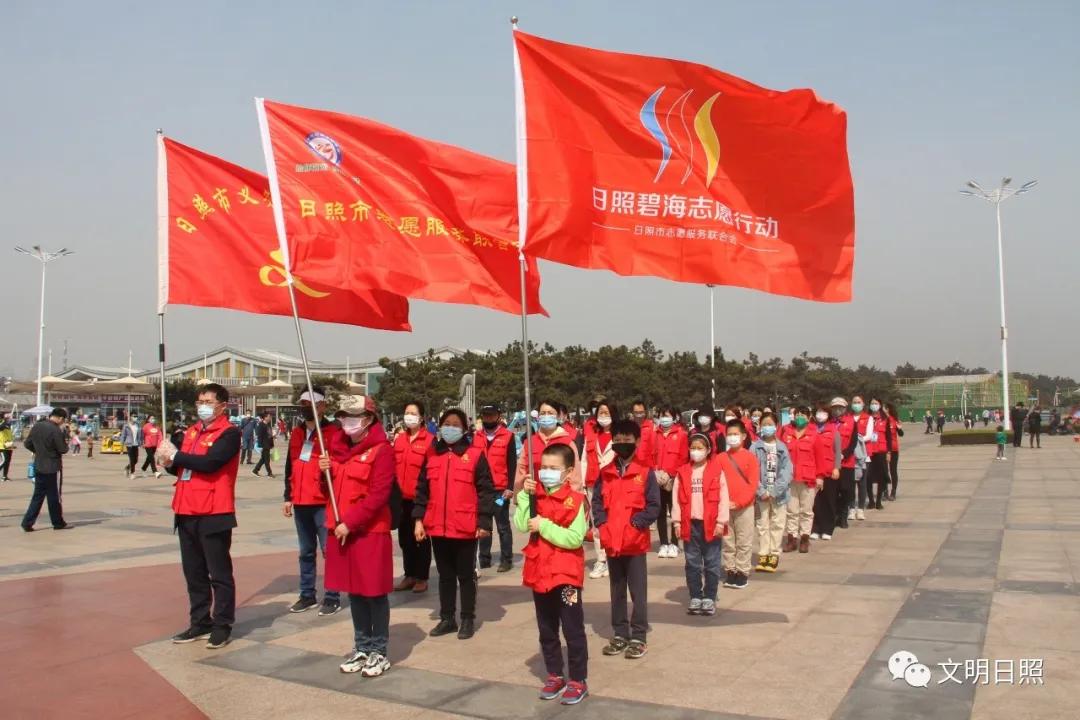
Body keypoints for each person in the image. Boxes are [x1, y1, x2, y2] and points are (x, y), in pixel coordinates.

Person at [159, 384, 241, 649]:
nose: (202, 405)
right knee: (193, 573)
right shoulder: (192, 432)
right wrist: (169, 461)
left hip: (214, 511)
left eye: (208, 401)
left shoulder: (229, 434)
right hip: (185, 509)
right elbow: (184, 469)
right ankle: (200, 621)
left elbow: (210, 463)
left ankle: (222, 624)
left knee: (219, 573)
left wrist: (178, 455)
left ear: (222, 406)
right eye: (199, 401)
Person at [320, 394, 395, 677]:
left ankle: (379, 650)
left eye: (353, 416)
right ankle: (362, 647)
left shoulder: (381, 450)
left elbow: (378, 496)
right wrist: (322, 473)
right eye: (343, 416)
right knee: (355, 592)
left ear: (368, 419)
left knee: (373, 593)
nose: (347, 422)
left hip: (368, 532)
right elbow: (329, 490)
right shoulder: (335, 449)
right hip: (340, 531)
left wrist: (350, 523)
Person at [516, 443, 589, 705]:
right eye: (543, 467)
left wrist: (544, 525)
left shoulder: (577, 500)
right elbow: (522, 524)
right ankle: (555, 674)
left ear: (568, 472)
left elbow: (574, 538)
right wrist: (524, 498)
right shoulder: (535, 496)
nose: (546, 472)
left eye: (553, 468)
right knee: (546, 628)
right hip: (540, 574)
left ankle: (578, 679)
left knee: (572, 628)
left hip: (566, 575)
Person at [413, 409, 495, 640]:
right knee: (445, 575)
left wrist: (484, 522)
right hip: (437, 527)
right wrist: (419, 519)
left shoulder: (475, 455)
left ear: (464, 429)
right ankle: (447, 617)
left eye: (455, 424)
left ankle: (467, 617)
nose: (450, 427)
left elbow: (486, 491)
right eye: (446, 423)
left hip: (465, 526)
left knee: (466, 575)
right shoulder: (431, 455)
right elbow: (422, 490)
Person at [593, 420, 660, 660]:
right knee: (616, 590)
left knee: (638, 592)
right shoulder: (606, 473)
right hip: (613, 542)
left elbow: (654, 506)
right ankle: (620, 633)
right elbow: (597, 502)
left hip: (635, 543)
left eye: (626, 441)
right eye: (617, 441)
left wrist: (636, 524)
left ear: (638, 442)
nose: (621, 444)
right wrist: (602, 524)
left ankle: (639, 636)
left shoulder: (645, 472)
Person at [283, 389, 342, 616]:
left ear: (322, 406)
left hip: (323, 501)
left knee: (330, 550)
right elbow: (291, 465)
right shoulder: (297, 433)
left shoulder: (333, 431)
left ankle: (332, 595)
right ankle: (307, 594)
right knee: (305, 551)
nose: (304, 407)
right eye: (302, 403)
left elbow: (342, 462)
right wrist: (287, 496)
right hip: (301, 501)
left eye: (310, 403)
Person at [671, 433, 729, 614]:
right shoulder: (682, 472)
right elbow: (676, 500)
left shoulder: (716, 471)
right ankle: (695, 596)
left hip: (711, 525)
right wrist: (677, 522)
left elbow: (723, 498)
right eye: (693, 448)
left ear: (708, 450)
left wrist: (721, 522)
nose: (696, 452)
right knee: (692, 563)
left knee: (712, 563)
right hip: (690, 524)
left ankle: (710, 597)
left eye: (700, 448)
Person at [392, 401, 434, 593]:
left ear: (422, 417)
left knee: (421, 539)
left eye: (413, 413)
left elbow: (433, 471)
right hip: (401, 499)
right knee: (405, 539)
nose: (409, 416)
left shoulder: (430, 440)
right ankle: (409, 575)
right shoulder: (399, 440)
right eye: (406, 412)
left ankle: (421, 577)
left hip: (421, 499)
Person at [474, 405, 518, 573]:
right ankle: (484, 558)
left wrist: (509, 487)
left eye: (492, 415)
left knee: (502, 525)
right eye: (485, 415)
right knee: (484, 524)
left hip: (500, 491)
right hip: (483, 490)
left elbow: (512, 463)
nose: (488, 419)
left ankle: (506, 559)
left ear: (498, 416)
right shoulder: (476, 436)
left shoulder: (508, 436)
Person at [715, 420, 759, 587]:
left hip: (744, 507)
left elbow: (753, 484)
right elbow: (716, 482)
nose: (732, 437)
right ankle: (730, 570)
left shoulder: (750, 458)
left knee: (744, 541)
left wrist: (739, 503)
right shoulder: (720, 458)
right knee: (727, 541)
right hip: (724, 507)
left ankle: (742, 571)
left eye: (736, 434)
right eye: (730, 434)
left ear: (743, 436)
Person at [578, 398, 617, 580]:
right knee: (597, 525)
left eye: (607, 413)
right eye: (601, 413)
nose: (604, 416)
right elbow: (584, 460)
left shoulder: (619, 435)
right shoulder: (591, 435)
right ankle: (601, 559)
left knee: (614, 523)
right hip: (593, 484)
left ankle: (613, 558)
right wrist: (583, 485)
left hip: (614, 485)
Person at [751, 414, 791, 572]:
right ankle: (763, 554)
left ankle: (774, 553)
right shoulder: (754, 447)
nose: (767, 427)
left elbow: (787, 471)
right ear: (760, 426)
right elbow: (751, 471)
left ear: (776, 426)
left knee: (777, 524)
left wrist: (775, 490)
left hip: (778, 495)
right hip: (761, 495)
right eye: (764, 424)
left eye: (770, 424)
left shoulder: (782, 448)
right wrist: (761, 491)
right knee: (762, 525)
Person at [21, 409, 71, 531]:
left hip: (39, 465)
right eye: (63, 420)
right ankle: (57, 522)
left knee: (37, 496)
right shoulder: (55, 430)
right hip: (52, 467)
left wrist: (38, 451)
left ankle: (27, 522)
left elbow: (27, 443)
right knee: (53, 496)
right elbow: (63, 449)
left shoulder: (37, 426)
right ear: (60, 418)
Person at [780, 407, 819, 553]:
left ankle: (805, 538)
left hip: (808, 478)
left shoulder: (814, 434)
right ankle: (791, 539)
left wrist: (820, 477)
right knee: (791, 510)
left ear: (809, 418)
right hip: (790, 478)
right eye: (797, 414)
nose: (799, 417)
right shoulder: (786, 432)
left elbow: (820, 457)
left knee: (806, 510)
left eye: (803, 415)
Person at [653, 404, 688, 559]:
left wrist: (671, 474)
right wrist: (656, 472)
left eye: (667, 415)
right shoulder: (655, 434)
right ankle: (663, 543)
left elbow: (683, 457)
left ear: (674, 418)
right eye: (662, 415)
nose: (664, 419)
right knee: (659, 512)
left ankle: (674, 543)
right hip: (657, 479)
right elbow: (650, 455)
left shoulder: (681, 434)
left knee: (675, 511)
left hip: (673, 480)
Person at [810, 404, 842, 540]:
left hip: (829, 470)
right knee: (815, 502)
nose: (820, 414)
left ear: (829, 415)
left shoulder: (833, 431)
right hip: (814, 471)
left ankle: (828, 528)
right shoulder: (811, 430)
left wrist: (837, 467)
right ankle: (816, 528)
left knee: (829, 500)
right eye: (818, 412)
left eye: (823, 412)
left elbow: (838, 451)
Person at [832, 398, 857, 528]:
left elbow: (853, 442)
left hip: (847, 462)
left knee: (846, 490)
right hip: (831, 463)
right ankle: (835, 515)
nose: (837, 409)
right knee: (834, 490)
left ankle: (843, 515)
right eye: (835, 407)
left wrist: (844, 454)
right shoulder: (829, 423)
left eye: (840, 407)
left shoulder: (851, 421)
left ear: (845, 408)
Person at [864, 399, 892, 510]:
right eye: (872, 403)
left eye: (876, 403)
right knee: (868, 477)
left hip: (881, 451)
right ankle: (871, 500)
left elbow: (889, 437)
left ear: (880, 405)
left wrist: (889, 452)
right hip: (869, 451)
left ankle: (879, 501)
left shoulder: (885, 418)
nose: (874, 405)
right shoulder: (867, 418)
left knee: (882, 477)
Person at [885, 403, 903, 500]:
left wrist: (899, 428)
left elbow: (901, 434)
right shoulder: (880, 420)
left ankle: (893, 491)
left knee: (892, 470)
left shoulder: (894, 420)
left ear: (888, 409)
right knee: (883, 471)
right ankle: (885, 491)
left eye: (884, 408)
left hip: (893, 449)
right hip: (882, 449)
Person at [253, 412, 275, 477]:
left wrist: (272, 443)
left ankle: (255, 470)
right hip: (264, 445)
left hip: (268, 444)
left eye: (270, 416)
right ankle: (269, 473)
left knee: (263, 459)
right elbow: (259, 436)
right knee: (267, 460)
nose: (270, 418)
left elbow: (269, 435)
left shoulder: (268, 425)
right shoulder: (261, 425)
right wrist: (260, 446)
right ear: (265, 417)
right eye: (269, 416)